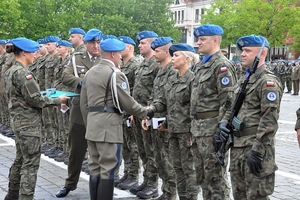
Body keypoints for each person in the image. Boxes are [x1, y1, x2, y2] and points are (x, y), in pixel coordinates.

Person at [80, 38, 152, 200]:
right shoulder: (115, 74)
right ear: (113, 54)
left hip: (92, 124)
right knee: (108, 168)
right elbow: (127, 103)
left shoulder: (90, 72)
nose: (120, 57)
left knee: (95, 167)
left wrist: (90, 123)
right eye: (119, 54)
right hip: (109, 126)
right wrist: (145, 112)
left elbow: (83, 104)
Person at [3, 37, 69, 200]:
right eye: (33, 52)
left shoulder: (10, 70)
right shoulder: (24, 74)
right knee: (30, 164)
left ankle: (12, 195)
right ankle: (26, 196)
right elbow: (36, 100)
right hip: (29, 125)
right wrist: (58, 100)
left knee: (20, 159)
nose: (36, 54)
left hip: (18, 122)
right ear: (24, 52)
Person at [221, 34, 283, 199]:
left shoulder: (267, 82)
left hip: (254, 148)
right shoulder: (244, 79)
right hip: (238, 146)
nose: (242, 54)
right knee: (239, 195)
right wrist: (223, 124)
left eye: (248, 51)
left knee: (256, 196)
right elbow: (233, 107)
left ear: (262, 54)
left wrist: (257, 151)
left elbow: (269, 121)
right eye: (242, 50)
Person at [144, 43, 200, 200]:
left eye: (176, 56)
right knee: (177, 169)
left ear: (187, 59)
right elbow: (163, 102)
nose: (173, 58)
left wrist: (193, 132)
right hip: (172, 131)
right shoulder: (173, 78)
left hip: (186, 132)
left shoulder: (193, 79)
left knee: (189, 170)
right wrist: (149, 111)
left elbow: (194, 109)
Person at [190, 24, 236, 200]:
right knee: (202, 177)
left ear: (215, 40)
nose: (198, 43)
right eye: (198, 39)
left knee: (215, 179)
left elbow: (229, 100)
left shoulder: (222, 65)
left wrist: (222, 127)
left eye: (202, 39)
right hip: (198, 129)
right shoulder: (201, 65)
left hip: (212, 131)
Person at [56, 29, 102, 198]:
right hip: (79, 111)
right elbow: (65, 76)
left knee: (100, 151)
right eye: (93, 43)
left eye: (99, 43)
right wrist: (81, 81)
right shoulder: (76, 58)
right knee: (76, 150)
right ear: (87, 44)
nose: (97, 46)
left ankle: (99, 186)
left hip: (99, 111)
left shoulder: (106, 59)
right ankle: (70, 184)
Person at [129, 30, 160, 199]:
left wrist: (149, 113)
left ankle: (153, 185)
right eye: (139, 43)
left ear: (152, 44)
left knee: (151, 151)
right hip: (139, 112)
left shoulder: (156, 64)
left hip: (150, 113)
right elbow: (136, 90)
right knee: (142, 150)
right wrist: (134, 111)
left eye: (143, 43)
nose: (139, 45)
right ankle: (147, 180)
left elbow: (157, 91)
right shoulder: (141, 64)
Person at [147, 37, 177, 200]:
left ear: (166, 52)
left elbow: (173, 101)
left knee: (168, 161)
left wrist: (167, 122)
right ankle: (166, 191)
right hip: (155, 121)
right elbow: (155, 96)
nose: (154, 53)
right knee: (159, 159)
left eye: (157, 51)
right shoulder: (160, 71)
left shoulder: (173, 70)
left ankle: (171, 193)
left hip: (167, 123)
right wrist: (148, 112)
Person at [115, 36, 141, 190]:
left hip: (130, 110)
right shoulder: (122, 65)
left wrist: (133, 111)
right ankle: (127, 173)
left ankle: (134, 175)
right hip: (122, 111)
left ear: (130, 48)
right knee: (125, 144)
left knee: (133, 145)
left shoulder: (135, 65)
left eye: (122, 46)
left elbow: (136, 90)